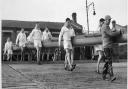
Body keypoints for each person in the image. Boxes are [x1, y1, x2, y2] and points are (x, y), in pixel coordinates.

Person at [101, 15, 122, 81]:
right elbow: (111, 34)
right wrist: (119, 32)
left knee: (107, 61)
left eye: (110, 20)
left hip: (107, 46)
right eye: (109, 20)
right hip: (107, 46)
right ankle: (111, 76)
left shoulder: (106, 26)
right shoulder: (105, 26)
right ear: (106, 20)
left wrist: (114, 31)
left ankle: (104, 75)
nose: (110, 21)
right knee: (109, 61)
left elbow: (110, 33)